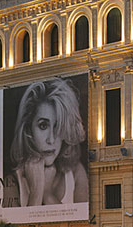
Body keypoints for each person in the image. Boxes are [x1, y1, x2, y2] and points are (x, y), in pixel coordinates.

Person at [9, 78, 88, 207]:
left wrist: (47, 193)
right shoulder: (12, 182)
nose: (51, 139)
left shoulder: (76, 173)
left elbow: (82, 225)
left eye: (58, 127)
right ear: (28, 129)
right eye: (43, 126)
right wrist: (36, 192)